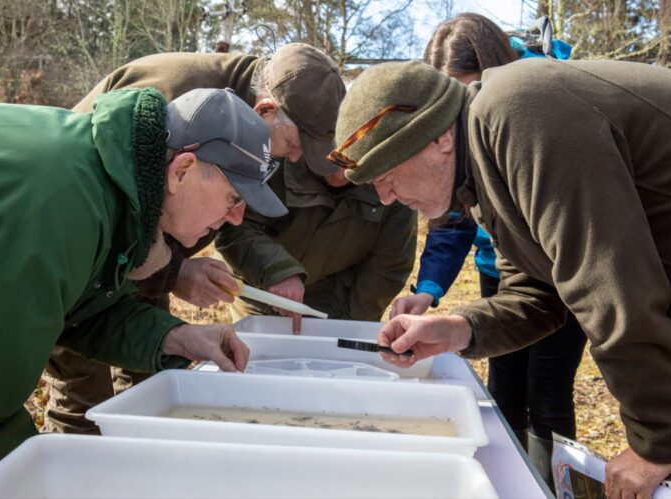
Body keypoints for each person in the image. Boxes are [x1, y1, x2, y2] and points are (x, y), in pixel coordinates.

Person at [330, 55, 671, 498]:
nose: (387, 196)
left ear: (437, 140)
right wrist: (458, 330)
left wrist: (656, 441)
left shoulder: (521, 114)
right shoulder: (483, 166)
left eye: (388, 174)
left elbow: (610, 287)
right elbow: (540, 294)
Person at [0, 86, 282, 496]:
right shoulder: (61, 205)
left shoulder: (116, 192)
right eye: (233, 197)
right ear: (181, 171)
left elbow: (79, 313)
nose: (236, 219)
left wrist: (175, 336)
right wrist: (60, 484)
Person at [43, 43, 347, 435]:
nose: (291, 159)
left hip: (142, 258)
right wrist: (175, 270)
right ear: (266, 111)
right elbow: (107, 218)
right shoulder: (175, 98)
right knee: (83, 393)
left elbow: (230, 216)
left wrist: (175, 274)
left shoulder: (257, 130)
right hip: (78, 266)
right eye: (292, 146)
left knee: (149, 377)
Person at [388, 13, 586, 485]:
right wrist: (428, 290)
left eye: (465, 93)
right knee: (504, 383)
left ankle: (551, 484)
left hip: (564, 269)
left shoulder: (535, 116)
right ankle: (507, 481)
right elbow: (450, 223)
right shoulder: (452, 149)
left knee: (548, 385)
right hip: (500, 270)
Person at [215, 154, 417, 327]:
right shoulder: (275, 155)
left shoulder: (391, 183)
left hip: (335, 299)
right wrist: (278, 270)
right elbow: (233, 228)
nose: (340, 174)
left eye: (352, 163)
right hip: (261, 290)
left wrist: (350, 328)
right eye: (331, 158)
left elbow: (388, 266)